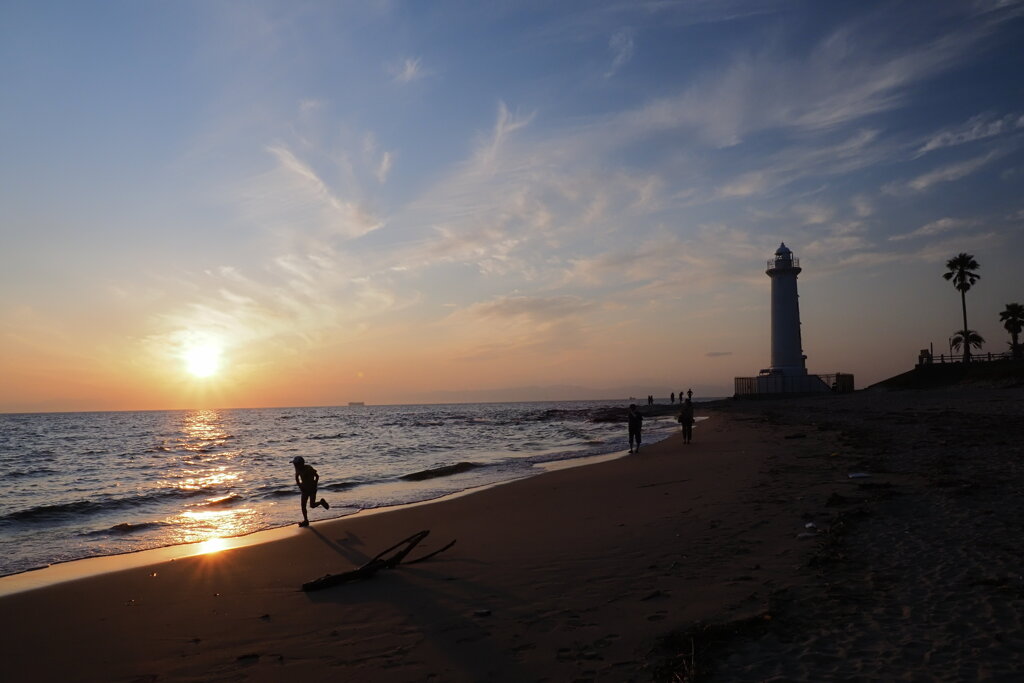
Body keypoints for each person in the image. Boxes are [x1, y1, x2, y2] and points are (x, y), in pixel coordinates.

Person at [292, 456, 329, 527]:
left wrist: (315, 484)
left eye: (296, 464)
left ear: (301, 464)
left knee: (312, 505)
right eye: (294, 464)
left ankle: (321, 502)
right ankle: (306, 520)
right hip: (304, 490)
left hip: (312, 489)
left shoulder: (308, 468)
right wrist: (300, 486)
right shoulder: (298, 470)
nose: (294, 466)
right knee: (303, 505)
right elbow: (296, 478)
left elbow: (317, 476)